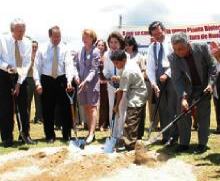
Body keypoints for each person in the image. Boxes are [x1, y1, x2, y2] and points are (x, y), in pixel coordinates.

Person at [169, 32, 217, 153]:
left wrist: (210, 84)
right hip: (187, 88)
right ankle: (184, 143)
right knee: (183, 113)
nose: (179, 52)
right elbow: (177, 79)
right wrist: (183, 97)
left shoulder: (202, 48)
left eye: (181, 49)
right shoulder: (173, 57)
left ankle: (202, 144)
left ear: (188, 44)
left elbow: (213, 67)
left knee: (203, 115)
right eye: (176, 49)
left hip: (204, 86)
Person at [34, 26, 73, 143]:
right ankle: (50, 135)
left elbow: (69, 65)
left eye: (59, 36)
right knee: (47, 109)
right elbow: (37, 67)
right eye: (55, 36)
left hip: (62, 79)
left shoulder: (65, 48)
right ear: (50, 36)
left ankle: (67, 133)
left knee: (65, 108)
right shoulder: (42, 49)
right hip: (47, 80)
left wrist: (69, 80)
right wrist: (37, 83)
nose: (57, 39)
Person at [0, 18, 36, 147]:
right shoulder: (2, 39)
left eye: (23, 30)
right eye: (19, 31)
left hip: (20, 75)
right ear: (12, 30)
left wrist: (19, 83)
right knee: (6, 107)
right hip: (4, 74)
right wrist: (7, 66)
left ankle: (24, 135)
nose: (22, 33)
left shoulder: (27, 42)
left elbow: (26, 64)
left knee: (23, 106)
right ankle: (7, 137)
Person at [146, 21, 177, 144]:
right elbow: (150, 67)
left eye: (159, 34)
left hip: (173, 76)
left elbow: (176, 61)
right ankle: (166, 136)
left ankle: (175, 136)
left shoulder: (172, 42)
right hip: (159, 79)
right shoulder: (152, 47)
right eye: (154, 35)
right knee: (162, 108)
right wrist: (153, 84)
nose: (157, 37)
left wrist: (167, 74)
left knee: (172, 107)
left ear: (164, 30)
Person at [110, 50, 148, 150]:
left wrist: (116, 106)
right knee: (138, 121)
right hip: (141, 93)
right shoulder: (130, 63)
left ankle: (130, 145)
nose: (116, 65)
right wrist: (120, 81)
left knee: (131, 121)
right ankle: (138, 142)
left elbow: (121, 91)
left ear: (123, 60)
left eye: (117, 63)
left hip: (136, 97)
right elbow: (126, 81)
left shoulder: (127, 71)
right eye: (114, 63)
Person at [74, 29, 100, 144]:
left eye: (87, 37)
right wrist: (76, 76)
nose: (84, 39)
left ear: (92, 38)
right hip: (81, 84)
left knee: (92, 107)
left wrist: (86, 81)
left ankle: (92, 133)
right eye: (83, 36)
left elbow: (94, 70)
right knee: (85, 107)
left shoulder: (96, 51)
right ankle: (90, 131)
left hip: (92, 84)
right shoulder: (80, 51)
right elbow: (75, 65)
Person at [103, 31, 127, 146]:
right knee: (112, 108)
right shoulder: (107, 55)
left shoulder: (124, 54)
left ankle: (121, 134)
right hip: (111, 85)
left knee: (121, 109)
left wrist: (119, 77)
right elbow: (105, 70)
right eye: (111, 42)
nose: (113, 44)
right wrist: (109, 77)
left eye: (115, 42)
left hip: (122, 85)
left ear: (120, 43)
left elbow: (126, 70)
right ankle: (113, 134)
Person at [124, 35, 147, 139]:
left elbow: (143, 71)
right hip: (127, 86)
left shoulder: (139, 56)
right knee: (130, 112)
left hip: (138, 88)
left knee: (140, 111)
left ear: (133, 45)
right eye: (126, 45)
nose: (127, 47)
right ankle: (129, 134)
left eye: (129, 45)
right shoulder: (123, 56)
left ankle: (139, 135)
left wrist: (138, 82)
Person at [26, 40, 43, 124]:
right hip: (28, 79)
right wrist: (32, 61)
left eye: (35, 46)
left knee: (38, 100)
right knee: (28, 100)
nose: (34, 48)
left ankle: (39, 118)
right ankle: (26, 118)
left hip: (37, 80)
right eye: (33, 47)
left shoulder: (39, 56)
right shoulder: (27, 56)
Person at [96, 39, 109, 131]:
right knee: (96, 105)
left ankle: (104, 124)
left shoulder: (107, 56)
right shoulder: (94, 55)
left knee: (105, 104)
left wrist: (106, 80)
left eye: (102, 45)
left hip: (106, 82)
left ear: (105, 47)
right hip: (95, 82)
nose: (100, 47)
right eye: (98, 45)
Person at [210, 41, 220, 134]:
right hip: (216, 86)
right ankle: (219, 126)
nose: (213, 49)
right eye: (211, 47)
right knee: (217, 106)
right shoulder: (212, 61)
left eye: (215, 46)